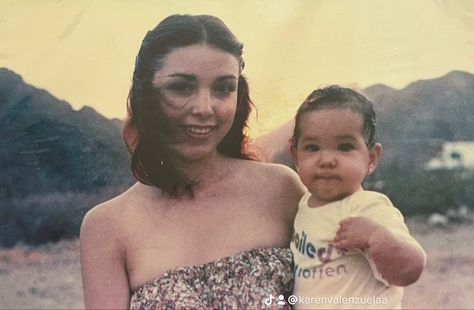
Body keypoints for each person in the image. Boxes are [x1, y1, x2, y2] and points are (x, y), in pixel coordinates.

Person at [79, 14, 305, 309]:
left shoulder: (282, 189)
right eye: (182, 87)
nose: (204, 108)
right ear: (146, 95)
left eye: (223, 88)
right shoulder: (106, 227)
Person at [289, 86, 426, 309]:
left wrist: (375, 237)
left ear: (371, 158)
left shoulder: (366, 207)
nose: (326, 160)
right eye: (312, 147)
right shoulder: (305, 204)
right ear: (296, 156)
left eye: (344, 147)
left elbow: (411, 269)